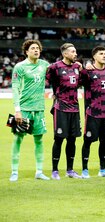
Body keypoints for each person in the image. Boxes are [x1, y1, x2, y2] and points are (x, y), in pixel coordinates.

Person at [10, 39, 50, 182]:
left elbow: (60, 70)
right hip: (24, 109)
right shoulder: (20, 67)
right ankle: (14, 172)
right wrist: (17, 110)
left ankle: (39, 171)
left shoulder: (45, 65)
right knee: (18, 139)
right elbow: (15, 88)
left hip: (39, 109)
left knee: (39, 140)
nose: (36, 50)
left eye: (38, 48)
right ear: (26, 51)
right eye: (33, 48)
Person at [46, 43, 82, 180]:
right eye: (73, 52)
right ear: (65, 54)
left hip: (75, 108)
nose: (75, 54)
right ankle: (55, 170)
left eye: (75, 51)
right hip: (61, 107)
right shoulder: (55, 67)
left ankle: (70, 170)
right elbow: (48, 80)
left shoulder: (78, 67)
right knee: (59, 139)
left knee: (72, 140)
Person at [80, 46, 105, 178]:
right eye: (101, 54)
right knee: (88, 141)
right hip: (92, 113)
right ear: (94, 57)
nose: (104, 56)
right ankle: (84, 170)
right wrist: (85, 65)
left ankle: (103, 169)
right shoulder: (87, 72)